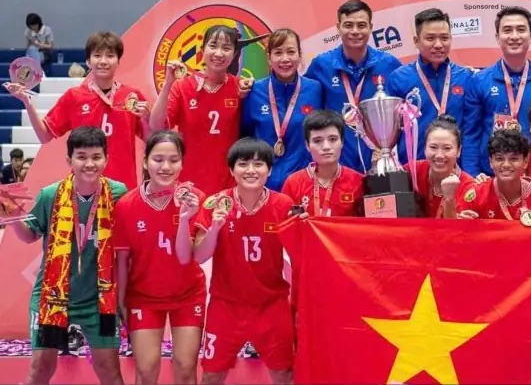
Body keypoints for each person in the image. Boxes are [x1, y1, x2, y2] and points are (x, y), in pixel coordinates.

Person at [7, 127, 127, 385]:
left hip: (99, 299)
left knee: (109, 370)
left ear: (106, 159)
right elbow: (29, 235)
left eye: (96, 157)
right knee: (41, 368)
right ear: (69, 160)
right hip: (53, 296)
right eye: (81, 156)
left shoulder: (118, 194)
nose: (89, 164)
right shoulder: (50, 195)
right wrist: (14, 217)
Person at [191, 138, 296, 384]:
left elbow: (300, 253)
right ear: (231, 170)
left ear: (269, 170)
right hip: (226, 306)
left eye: (258, 164)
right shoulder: (215, 203)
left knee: (284, 375)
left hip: (272, 305)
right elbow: (199, 256)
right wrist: (215, 228)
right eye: (243, 164)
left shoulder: (283, 205)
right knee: (211, 376)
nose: (251, 170)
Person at [114, 130, 206, 385]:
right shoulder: (126, 205)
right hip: (143, 297)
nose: (166, 167)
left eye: (174, 160)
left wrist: (186, 216)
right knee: (146, 369)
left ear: (182, 163)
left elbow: (194, 253)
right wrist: (120, 302)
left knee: (186, 367)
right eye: (158, 159)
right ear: (145, 162)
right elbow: (122, 261)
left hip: (188, 294)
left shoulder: (195, 199)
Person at [5, 31, 150, 190]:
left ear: (118, 61)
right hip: (84, 190)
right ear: (88, 61)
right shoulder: (74, 97)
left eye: (110, 56)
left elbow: (150, 139)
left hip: (123, 189)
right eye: (97, 56)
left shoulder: (132, 97)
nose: (103, 61)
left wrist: (146, 120)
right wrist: (27, 102)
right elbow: (44, 135)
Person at [461, 6, 531, 177]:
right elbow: (471, 134)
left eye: (521, 30)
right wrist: (472, 176)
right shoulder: (479, 81)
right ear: (497, 37)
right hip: (490, 175)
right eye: (507, 30)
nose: (514, 36)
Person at [305, 0, 401, 172]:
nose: (355, 31)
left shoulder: (389, 64)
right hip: (337, 161)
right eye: (348, 25)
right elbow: (300, 96)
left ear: (371, 27)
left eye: (361, 25)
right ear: (338, 27)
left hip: (380, 160)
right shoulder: (321, 65)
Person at [151, 25, 245, 196]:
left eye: (226, 48)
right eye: (213, 46)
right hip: (188, 184)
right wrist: (167, 84)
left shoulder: (241, 88)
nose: (219, 53)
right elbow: (157, 127)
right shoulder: (182, 87)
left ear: (234, 54)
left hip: (229, 185)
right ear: (202, 50)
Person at [386, 8, 473, 164]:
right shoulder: (398, 79)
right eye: (430, 38)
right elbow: (389, 132)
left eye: (444, 38)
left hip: (455, 168)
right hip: (413, 169)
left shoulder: (466, 77)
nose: (438, 45)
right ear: (416, 41)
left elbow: (472, 130)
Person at [242, 29, 321, 191]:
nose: (285, 59)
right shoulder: (254, 91)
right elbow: (244, 137)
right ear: (268, 58)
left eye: (291, 52)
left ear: (300, 55)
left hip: (304, 183)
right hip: (264, 185)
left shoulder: (315, 89)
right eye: (278, 53)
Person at [281, 110, 364, 218]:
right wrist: (294, 221)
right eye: (317, 141)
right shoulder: (293, 183)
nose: (326, 147)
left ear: (342, 142)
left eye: (333, 139)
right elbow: (284, 223)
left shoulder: (358, 182)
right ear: (307, 145)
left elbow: (368, 225)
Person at [455, 128, 531, 220]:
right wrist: (462, 222)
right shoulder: (475, 197)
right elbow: (459, 229)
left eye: (513, 159)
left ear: (525, 162)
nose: (506, 165)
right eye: (499, 159)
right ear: (490, 162)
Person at [406, 114, 475, 218]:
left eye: (447, 148)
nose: (439, 155)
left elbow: (454, 227)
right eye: (433, 147)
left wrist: (449, 199)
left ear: (459, 151)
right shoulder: (413, 171)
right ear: (425, 148)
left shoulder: (469, 187)